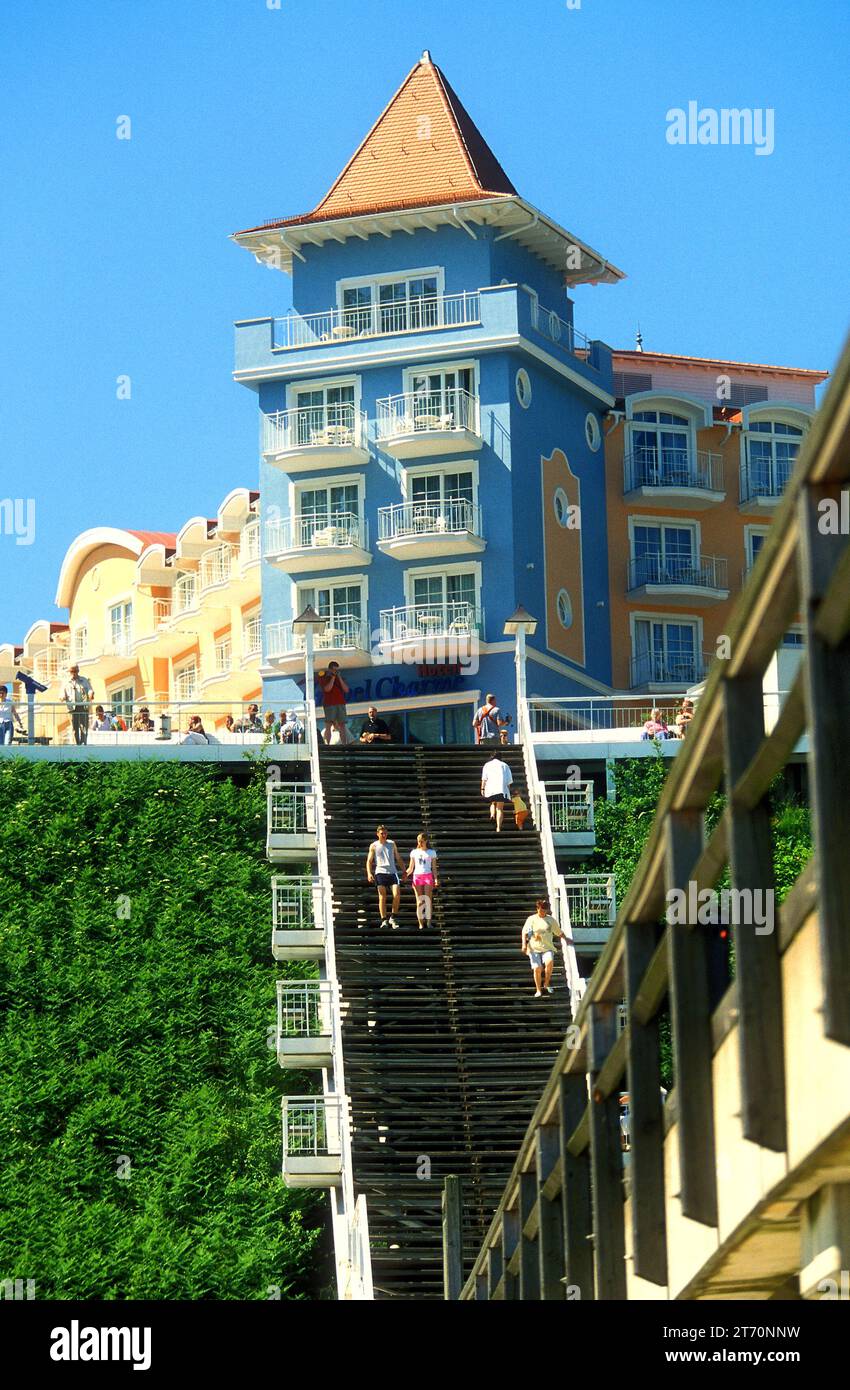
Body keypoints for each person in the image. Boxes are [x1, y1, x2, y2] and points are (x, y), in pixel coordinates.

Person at [521, 897, 565, 998]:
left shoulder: (550, 920)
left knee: (549, 963)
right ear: (537, 908)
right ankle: (538, 990)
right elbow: (524, 932)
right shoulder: (531, 919)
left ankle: (546, 983)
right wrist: (523, 944)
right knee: (537, 968)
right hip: (533, 948)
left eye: (544, 909)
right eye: (541, 909)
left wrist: (567, 939)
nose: (542, 911)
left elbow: (558, 932)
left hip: (547, 947)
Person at [365, 824, 404, 929]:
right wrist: (369, 873)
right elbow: (369, 861)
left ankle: (393, 918)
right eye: (382, 833)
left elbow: (398, 857)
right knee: (382, 896)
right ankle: (384, 920)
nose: (384, 835)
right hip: (380, 872)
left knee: (397, 894)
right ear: (377, 834)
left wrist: (404, 870)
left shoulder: (392, 843)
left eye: (385, 833)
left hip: (392, 872)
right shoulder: (374, 845)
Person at [404, 832, 440, 929]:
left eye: (421, 841)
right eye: (418, 841)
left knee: (427, 899)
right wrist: (405, 874)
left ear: (426, 841)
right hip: (417, 876)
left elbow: (434, 868)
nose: (420, 843)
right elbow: (411, 868)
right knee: (419, 901)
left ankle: (428, 922)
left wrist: (436, 879)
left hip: (427, 876)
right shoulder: (414, 852)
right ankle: (420, 923)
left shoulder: (431, 852)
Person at [481, 751, 513, 833]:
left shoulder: (487, 765)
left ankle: (492, 814)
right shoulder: (505, 765)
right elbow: (509, 781)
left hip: (491, 789)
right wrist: (508, 790)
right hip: (501, 789)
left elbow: (484, 779)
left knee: (492, 803)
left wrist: (482, 788)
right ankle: (498, 827)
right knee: (500, 808)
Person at [318, 662, 350, 745]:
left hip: (340, 703)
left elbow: (346, 690)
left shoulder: (340, 678)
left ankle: (344, 745)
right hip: (330, 704)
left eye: (337, 670)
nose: (335, 671)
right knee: (328, 724)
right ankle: (327, 744)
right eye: (334, 670)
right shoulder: (324, 677)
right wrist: (332, 677)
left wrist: (339, 677)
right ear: (330, 669)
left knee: (342, 725)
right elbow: (327, 689)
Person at [62, 664, 94, 745]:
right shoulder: (66, 682)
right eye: (72, 671)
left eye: (75, 671)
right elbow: (61, 694)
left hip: (83, 706)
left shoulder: (84, 680)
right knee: (74, 728)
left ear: (78, 671)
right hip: (72, 708)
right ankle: (77, 744)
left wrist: (91, 694)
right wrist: (63, 697)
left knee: (84, 727)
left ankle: (84, 743)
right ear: (69, 672)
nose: (74, 673)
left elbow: (90, 690)